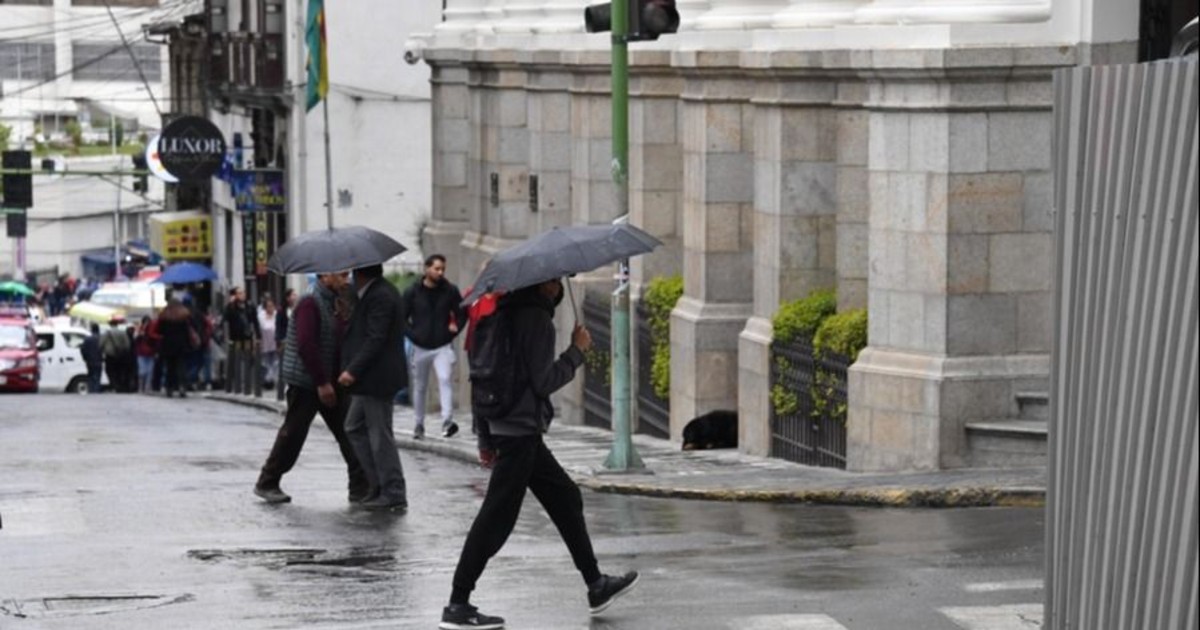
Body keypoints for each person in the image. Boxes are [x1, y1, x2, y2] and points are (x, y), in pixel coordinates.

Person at [439, 279, 638, 630]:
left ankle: (596, 584)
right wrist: (576, 351)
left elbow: (481, 377)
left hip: (510, 427)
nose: (559, 286)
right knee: (494, 519)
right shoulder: (534, 319)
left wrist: (485, 436)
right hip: (519, 432)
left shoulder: (499, 312)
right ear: (544, 284)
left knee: (565, 496)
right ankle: (457, 603)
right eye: (555, 280)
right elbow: (543, 381)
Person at [254, 272, 369, 505]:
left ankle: (359, 487)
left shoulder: (334, 301)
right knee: (294, 433)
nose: (346, 279)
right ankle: (267, 481)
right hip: (308, 381)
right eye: (341, 275)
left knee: (350, 432)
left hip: (331, 379)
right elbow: (307, 345)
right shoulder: (309, 302)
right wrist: (322, 383)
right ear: (325, 276)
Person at [338, 264, 409, 510]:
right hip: (369, 379)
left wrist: (352, 370)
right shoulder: (370, 294)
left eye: (351, 273)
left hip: (377, 378)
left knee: (380, 434)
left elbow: (375, 338)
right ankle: (377, 483)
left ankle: (393, 490)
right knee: (354, 426)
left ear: (360, 274)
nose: (348, 277)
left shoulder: (381, 296)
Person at [402, 254, 467, 440]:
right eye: (437, 269)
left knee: (445, 379)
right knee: (420, 385)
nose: (440, 272)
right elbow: (401, 317)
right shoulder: (412, 292)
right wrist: (412, 335)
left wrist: (454, 330)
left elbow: (462, 313)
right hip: (420, 346)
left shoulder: (450, 290)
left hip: (442, 344)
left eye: (443, 269)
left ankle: (447, 420)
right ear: (426, 269)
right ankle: (419, 423)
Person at [156, 299, 193, 398]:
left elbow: (159, 331)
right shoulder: (183, 315)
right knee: (181, 367)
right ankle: (182, 387)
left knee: (170, 368)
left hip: (168, 345)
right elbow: (187, 331)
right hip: (181, 345)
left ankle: (170, 388)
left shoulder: (164, 316)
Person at [99, 316, 132, 393]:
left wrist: (102, 351)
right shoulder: (122, 333)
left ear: (110, 325)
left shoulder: (106, 333)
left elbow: (101, 344)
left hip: (110, 355)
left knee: (110, 371)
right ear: (117, 325)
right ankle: (120, 386)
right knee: (119, 371)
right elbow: (127, 345)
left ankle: (114, 385)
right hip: (120, 356)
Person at [258, 295, 279, 387]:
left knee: (275, 362)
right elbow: (263, 327)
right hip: (265, 342)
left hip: (275, 342)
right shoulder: (261, 315)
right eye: (268, 306)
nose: (270, 308)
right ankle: (267, 380)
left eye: (272, 306)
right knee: (265, 362)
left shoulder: (276, 314)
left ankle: (272, 380)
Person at [133, 315, 156, 392]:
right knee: (142, 371)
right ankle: (141, 387)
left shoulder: (153, 330)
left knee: (150, 371)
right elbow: (135, 339)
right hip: (141, 353)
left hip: (150, 353)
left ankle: (147, 387)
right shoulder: (139, 330)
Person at [80, 323, 104, 393]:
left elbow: (82, 349)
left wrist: (85, 358)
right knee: (98, 376)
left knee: (91, 375)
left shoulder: (87, 339)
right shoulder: (101, 338)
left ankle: (92, 389)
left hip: (89, 360)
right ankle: (96, 389)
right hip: (99, 360)